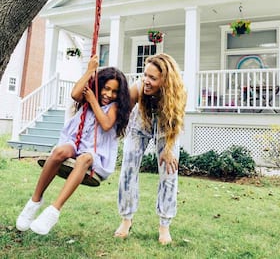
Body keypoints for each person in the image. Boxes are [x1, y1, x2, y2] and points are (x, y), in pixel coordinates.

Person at [16, 55, 131, 235]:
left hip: (96, 153)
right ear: (99, 85)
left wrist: (93, 100)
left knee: (84, 158)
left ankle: (53, 211)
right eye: (106, 88)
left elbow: (106, 124)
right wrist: (89, 71)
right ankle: (34, 201)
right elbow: (75, 94)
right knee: (59, 151)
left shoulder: (114, 107)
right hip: (76, 142)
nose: (109, 94)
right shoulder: (89, 95)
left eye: (114, 91)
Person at [114, 53, 187, 245]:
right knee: (128, 170)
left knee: (169, 173)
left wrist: (168, 149)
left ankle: (164, 225)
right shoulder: (138, 88)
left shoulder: (178, 92)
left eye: (153, 78)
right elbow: (120, 112)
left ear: (165, 80)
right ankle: (126, 219)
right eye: (145, 74)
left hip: (167, 128)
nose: (146, 81)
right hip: (140, 123)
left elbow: (176, 123)